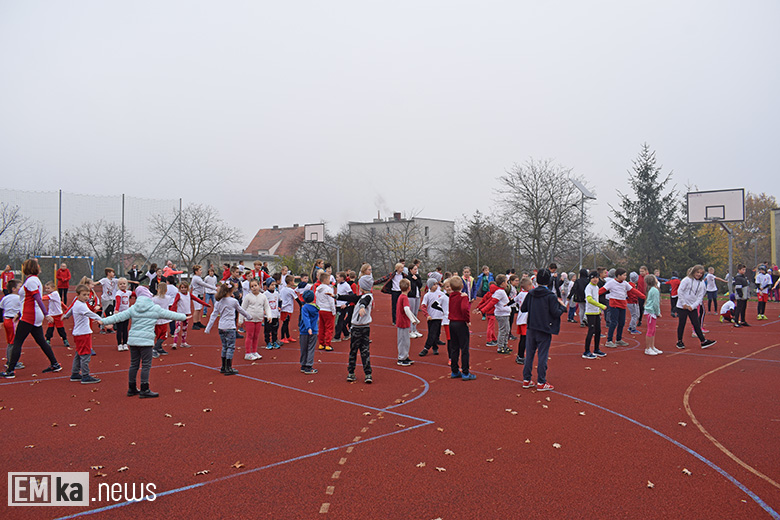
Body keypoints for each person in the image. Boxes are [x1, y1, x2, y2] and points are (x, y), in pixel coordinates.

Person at [102, 286, 187, 398]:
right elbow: (170, 314)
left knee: (134, 364)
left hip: (133, 340)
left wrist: (103, 321)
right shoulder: (155, 308)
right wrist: (183, 317)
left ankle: (132, 388)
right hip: (146, 341)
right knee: (146, 365)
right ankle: (144, 389)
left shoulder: (133, 308)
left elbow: (119, 316)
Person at [1, 259, 61, 378]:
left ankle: (10, 371)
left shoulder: (31, 281)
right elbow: (27, 300)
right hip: (32, 314)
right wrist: (20, 313)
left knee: (17, 341)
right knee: (41, 341)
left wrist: (46, 314)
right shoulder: (33, 280)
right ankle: (55, 364)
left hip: (30, 315)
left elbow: (37, 298)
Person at [520, 269, 565, 391]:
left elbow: (523, 308)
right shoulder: (550, 296)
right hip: (544, 329)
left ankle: (526, 379)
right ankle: (541, 381)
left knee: (529, 354)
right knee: (542, 355)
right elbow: (555, 313)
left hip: (531, 327)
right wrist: (562, 307)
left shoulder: (531, 293)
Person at [204, 283, 251, 375]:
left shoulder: (218, 302)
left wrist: (208, 328)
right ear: (230, 291)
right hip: (230, 326)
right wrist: (249, 317)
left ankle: (223, 366)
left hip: (221, 327)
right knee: (230, 347)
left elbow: (213, 315)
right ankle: (228, 368)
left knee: (224, 346)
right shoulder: (233, 301)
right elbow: (241, 310)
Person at [63, 284, 104, 384]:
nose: (86, 297)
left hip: (80, 333)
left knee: (79, 353)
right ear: (78, 295)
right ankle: (85, 375)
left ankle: (75, 373)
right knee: (85, 354)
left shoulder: (78, 303)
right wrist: (103, 321)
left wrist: (66, 316)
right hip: (83, 333)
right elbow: (90, 314)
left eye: (87, 295)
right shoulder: (81, 306)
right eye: (84, 295)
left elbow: (70, 310)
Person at [600, 268, 644, 348]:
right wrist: (592, 296)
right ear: (618, 275)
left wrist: (643, 296)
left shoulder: (625, 283)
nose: (625, 277)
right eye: (624, 275)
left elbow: (633, 290)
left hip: (622, 305)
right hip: (614, 304)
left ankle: (618, 339)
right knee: (614, 322)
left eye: (625, 275)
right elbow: (602, 290)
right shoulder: (611, 283)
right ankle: (609, 340)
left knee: (622, 322)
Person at [676, 265, 717, 349]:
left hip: (692, 307)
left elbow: (700, 297)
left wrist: (693, 306)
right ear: (693, 272)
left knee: (696, 323)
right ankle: (679, 341)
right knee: (682, 323)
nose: (699, 274)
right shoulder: (686, 280)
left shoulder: (702, 283)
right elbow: (680, 291)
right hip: (682, 306)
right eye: (697, 272)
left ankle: (703, 341)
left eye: (701, 273)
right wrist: (683, 303)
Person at [346, 275, 376, 384]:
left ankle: (352, 372)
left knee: (355, 351)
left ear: (362, 287)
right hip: (364, 328)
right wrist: (336, 296)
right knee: (364, 351)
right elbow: (351, 298)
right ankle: (367, 374)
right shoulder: (362, 296)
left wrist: (362, 307)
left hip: (358, 328)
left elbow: (364, 301)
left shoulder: (366, 297)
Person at [447, 276, 473, 380]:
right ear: (462, 286)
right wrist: (467, 320)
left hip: (452, 323)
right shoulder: (463, 297)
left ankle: (454, 370)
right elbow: (464, 309)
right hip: (461, 323)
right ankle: (465, 372)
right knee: (464, 348)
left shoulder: (451, 296)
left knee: (454, 348)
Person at [170, 281, 209, 349]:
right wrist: (171, 312)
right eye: (182, 288)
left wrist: (205, 304)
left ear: (187, 288)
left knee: (184, 329)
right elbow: (174, 303)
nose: (183, 289)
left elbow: (197, 299)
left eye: (185, 287)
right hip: (179, 314)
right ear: (180, 288)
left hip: (186, 314)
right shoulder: (179, 295)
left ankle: (183, 342)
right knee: (178, 329)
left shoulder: (189, 294)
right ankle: (175, 343)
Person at [240, 279, 271, 360]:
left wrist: (269, 316)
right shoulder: (248, 297)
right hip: (249, 319)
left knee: (256, 336)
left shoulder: (263, 296)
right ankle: (248, 353)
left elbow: (267, 307)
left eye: (255, 285)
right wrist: (240, 320)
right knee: (250, 335)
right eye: (252, 286)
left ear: (259, 285)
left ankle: (254, 351)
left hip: (259, 319)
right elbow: (243, 308)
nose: (254, 288)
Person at [583, 271, 607, 359]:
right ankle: (586, 351)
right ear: (590, 279)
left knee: (598, 331)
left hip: (596, 312)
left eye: (596, 277)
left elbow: (596, 298)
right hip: (590, 312)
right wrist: (601, 305)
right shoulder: (588, 287)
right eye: (593, 278)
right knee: (591, 331)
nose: (595, 279)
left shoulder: (596, 287)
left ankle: (596, 349)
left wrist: (599, 309)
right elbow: (589, 300)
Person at [419, 278, 444, 356]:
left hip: (439, 317)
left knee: (437, 333)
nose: (436, 286)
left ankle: (435, 347)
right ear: (430, 286)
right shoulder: (427, 295)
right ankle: (426, 348)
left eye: (436, 284)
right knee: (432, 333)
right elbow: (423, 306)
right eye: (434, 284)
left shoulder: (441, 294)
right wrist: (427, 315)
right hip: (431, 317)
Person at [396, 278, 418, 366]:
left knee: (405, 340)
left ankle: (405, 356)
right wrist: (412, 320)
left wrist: (414, 319)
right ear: (409, 288)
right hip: (403, 322)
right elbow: (406, 309)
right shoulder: (404, 298)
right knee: (403, 341)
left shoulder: (401, 297)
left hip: (403, 322)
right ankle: (401, 358)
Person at [1, 280, 22, 370]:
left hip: (7, 320)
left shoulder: (5, 298)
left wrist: (1, 321)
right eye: (19, 287)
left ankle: (10, 360)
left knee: (10, 341)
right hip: (13, 321)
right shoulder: (18, 298)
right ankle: (11, 362)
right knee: (13, 342)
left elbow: (1, 309)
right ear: (14, 289)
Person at [190, 265, 217, 330]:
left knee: (199, 309)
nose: (201, 271)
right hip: (196, 295)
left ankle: (198, 322)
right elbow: (204, 284)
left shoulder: (198, 277)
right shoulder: (196, 278)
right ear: (196, 271)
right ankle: (194, 323)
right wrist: (215, 288)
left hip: (200, 295)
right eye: (200, 270)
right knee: (197, 309)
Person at [298, 290, 319, 374]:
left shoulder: (304, 308)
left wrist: (308, 327)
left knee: (304, 348)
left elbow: (305, 318)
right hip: (313, 330)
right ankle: (308, 365)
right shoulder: (316, 307)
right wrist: (311, 328)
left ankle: (304, 364)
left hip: (304, 330)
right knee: (310, 348)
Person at [43, 281, 69, 347]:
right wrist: (66, 307)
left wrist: (37, 298)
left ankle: (65, 339)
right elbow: (60, 302)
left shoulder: (54, 294)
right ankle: (48, 340)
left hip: (58, 315)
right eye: (46, 288)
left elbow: (45, 298)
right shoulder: (53, 295)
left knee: (60, 329)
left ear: (53, 288)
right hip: (52, 315)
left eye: (48, 288)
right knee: (50, 328)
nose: (47, 290)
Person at [315, 271, 336, 351]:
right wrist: (333, 310)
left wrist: (318, 308)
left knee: (321, 327)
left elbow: (317, 300)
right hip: (328, 310)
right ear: (325, 279)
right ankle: (327, 344)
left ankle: (321, 343)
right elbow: (331, 301)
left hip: (321, 309)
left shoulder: (318, 289)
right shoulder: (328, 289)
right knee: (329, 328)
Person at [643, 274, 663, 356]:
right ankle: (648, 348)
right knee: (650, 330)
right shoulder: (654, 290)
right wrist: (658, 313)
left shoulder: (652, 289)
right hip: (651, 312)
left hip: (651, 312)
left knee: (653, 330)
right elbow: (655, 303)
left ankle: (652, 346)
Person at [514, 277, 532, 364]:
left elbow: (513, 300)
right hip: (525, 319)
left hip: (521, 318)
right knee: (525, 339)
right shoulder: (529, 295)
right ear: (528, 286)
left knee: (523, 339)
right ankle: (521, 356)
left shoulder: (520, 293)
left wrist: (506, 304)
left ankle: (520, 355)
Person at [492, 274, 512, 355]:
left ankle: (505, 345)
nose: (507, 284)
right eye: (506, 282)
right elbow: (493, 302)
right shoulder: (500, 292)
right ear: (503, 283)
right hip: (502, 314)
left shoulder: (502, 291)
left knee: (507, 330)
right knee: (503, 330)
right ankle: (500, 347)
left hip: (505, 313)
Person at [114, 277, 133, 351]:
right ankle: (119, 344)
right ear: (118, 285)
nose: (122, 285)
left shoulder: (128, 292)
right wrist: (116, 310)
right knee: (119, 329)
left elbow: (135, 294)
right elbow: (118, 302)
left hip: (126, 313)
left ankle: (125, 343)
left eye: (124, 284)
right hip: (119, 313)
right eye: (120, 284)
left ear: (127, 285)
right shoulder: (118, 293)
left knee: (125, 329)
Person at [333, 271, 353, 342]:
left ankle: (337, 337)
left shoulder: (346, 285)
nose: (336, 279)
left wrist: (346, 304)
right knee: (340, 321)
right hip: (338, 305)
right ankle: (346, 334)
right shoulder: (338, 284)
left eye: (337, 277)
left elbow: (351, 296)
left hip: (343, 306)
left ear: (342, 278)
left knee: (338, 321)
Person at [406, 264, 424, 339]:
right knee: (411, 314)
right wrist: (413, 280)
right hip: (411, 296)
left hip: (417, 296)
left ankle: (414, 329)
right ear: (410, 270)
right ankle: (410, 331)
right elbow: (410, 286)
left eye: (417, 269)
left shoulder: (417, 276)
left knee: (415, 313)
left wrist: (417, 279)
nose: (416, 271)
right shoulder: (408, 277)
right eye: (415, 269)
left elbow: (420, 285)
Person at [279, 275, 297, 344]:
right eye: (293, 281)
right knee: (285, 323)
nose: (294, 282)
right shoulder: (290, 290)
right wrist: (301, 305)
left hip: (284, 308)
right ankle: (282, 337)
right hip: (287, 308)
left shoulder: (283, 289)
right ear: (290, 282)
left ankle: (288, 336)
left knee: (286, 323)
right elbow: (296, 298)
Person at [263, 279, 281, 349]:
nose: (273, 286)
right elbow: (262, 303)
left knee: (275, 329)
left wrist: (279, 307)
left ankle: (274, 341)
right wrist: (264, 310)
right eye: (272, 285)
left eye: (274, 285)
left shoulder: (277, 293)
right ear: (268, 286)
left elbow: (280, 300)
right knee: (267, 329)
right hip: (268, 315)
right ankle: (268, 342)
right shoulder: (265, 294)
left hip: (275, 314)